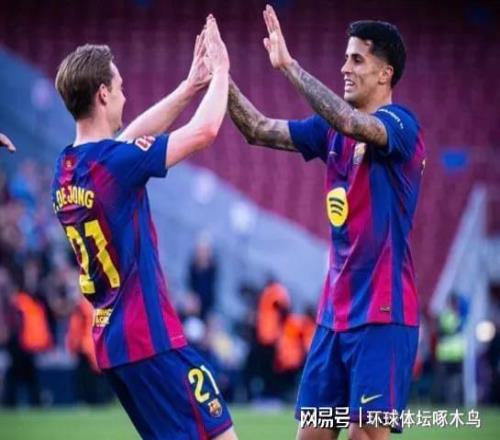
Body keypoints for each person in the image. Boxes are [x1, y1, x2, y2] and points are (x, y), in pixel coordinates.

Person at [228, 5, 425, 440]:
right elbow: (256, 128)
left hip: (382, 314)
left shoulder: (401, 125)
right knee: (312, 435)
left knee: (364, 435)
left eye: (357, 60)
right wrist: (219, 79)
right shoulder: (329, 132)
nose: (344, 68)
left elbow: (352, 121)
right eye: (345, 58)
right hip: (334, 315)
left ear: (385, 74)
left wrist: (288, 66)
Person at [51, 16, 237, 440]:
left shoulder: (66, 169)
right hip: (151, 338)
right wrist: (222, 71)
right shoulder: (115, 164)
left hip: (114, 347)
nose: (125, 95)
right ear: (103, 94)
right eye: (118, 87)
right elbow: (204, 131)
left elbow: (129, 138)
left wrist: (189, 86)